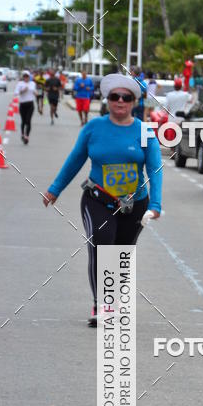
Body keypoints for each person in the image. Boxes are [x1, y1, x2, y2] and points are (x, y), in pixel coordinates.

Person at [42, 73, 163, 326]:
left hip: (134, 204)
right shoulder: (93, 128)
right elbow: (76, 159)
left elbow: (154, 169)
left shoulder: (144, 131)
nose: (120, 101)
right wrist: (55, 189)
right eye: (115, 96)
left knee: (122, 254)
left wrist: (155, 204)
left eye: (126, 97)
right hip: (97, 200)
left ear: (134, 102)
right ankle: (102, 304)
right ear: (107, 99)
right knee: (102, 245)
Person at [13, 70, 36, 144]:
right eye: (24, 76)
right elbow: (15, 93)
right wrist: (22, 91)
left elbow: (34, 91)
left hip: (30, 104)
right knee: (23, 121)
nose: (26, 78)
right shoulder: (20, 84)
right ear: (23, 77)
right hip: (22, 104)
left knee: (28, 120)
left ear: (29, 77)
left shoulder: (32, 83)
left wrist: (35, 93)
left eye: (27, 76)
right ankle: (22, 134)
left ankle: (27, 136)